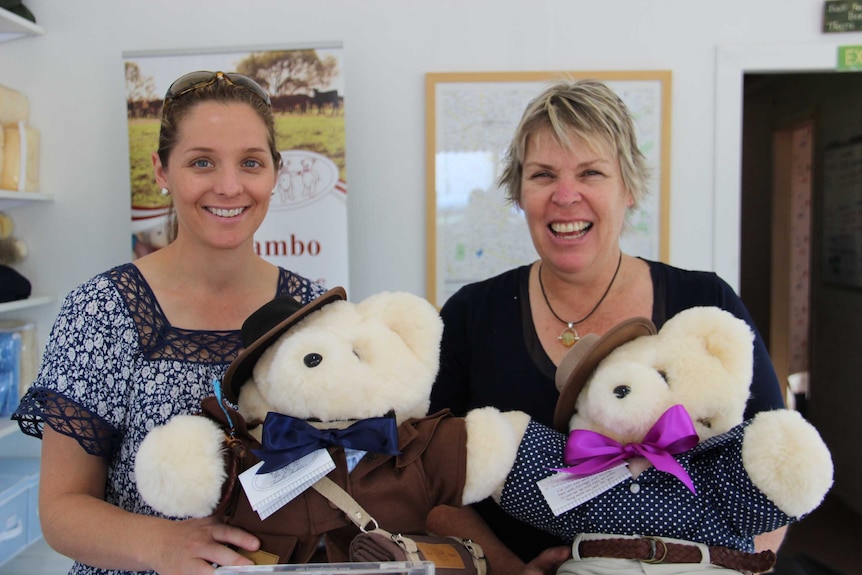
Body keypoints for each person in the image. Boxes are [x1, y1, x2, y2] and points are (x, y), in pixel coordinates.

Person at [428, 78, 786, 569]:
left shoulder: (705, 303)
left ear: (629, 188)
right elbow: (427, 480)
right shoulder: (472, 314)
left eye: (591, 173)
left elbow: (774, 466)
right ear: (520, 192)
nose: (566, 195)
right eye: (542, 175)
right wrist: (511, 571)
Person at [12, 71, 326, 575]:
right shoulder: (102, 310)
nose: (229, 186)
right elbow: (61, 510)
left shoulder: (314, 310)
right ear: (161, 170)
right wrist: (164, 544)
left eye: (251, 162)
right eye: (201, 162)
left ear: (275, 172)